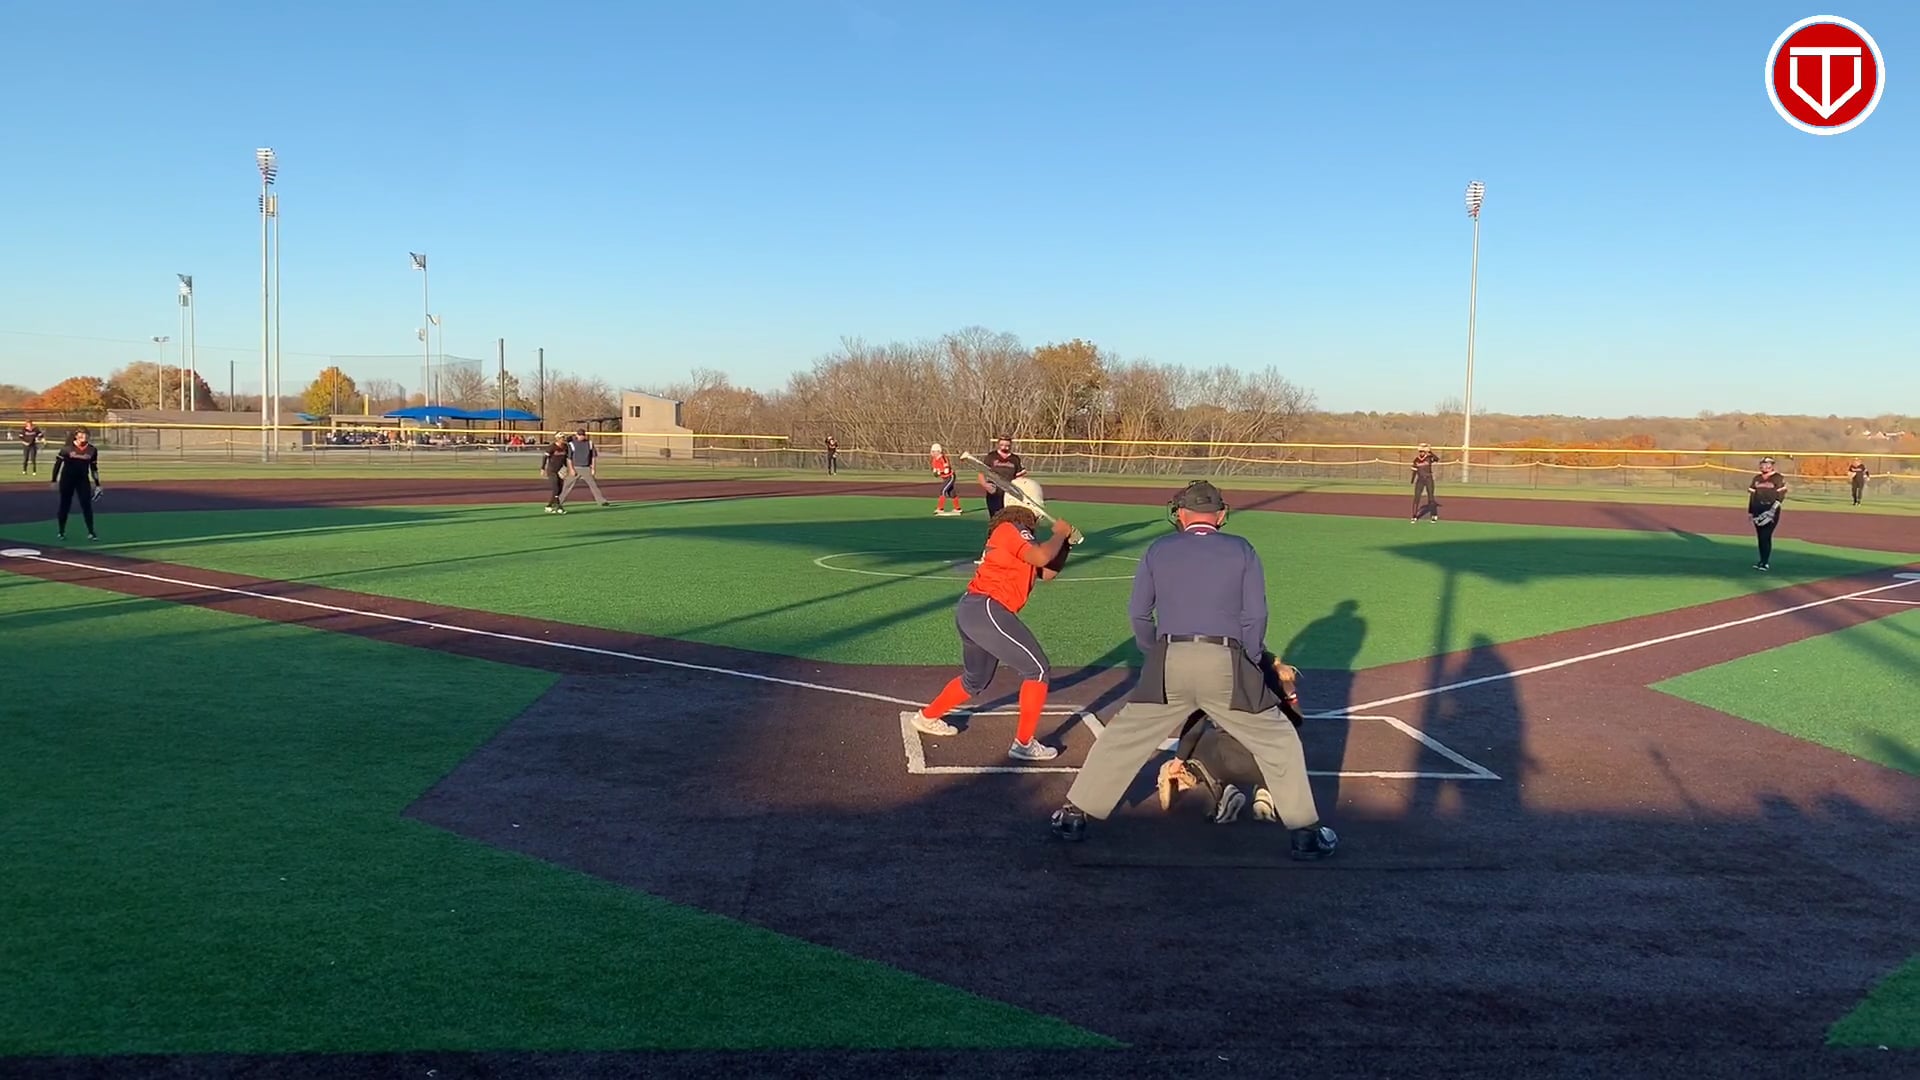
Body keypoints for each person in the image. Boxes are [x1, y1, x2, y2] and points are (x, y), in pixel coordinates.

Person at [1048, 481, 1336, 859]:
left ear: (1180, 514)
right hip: (1226, 660)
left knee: (1123, 736)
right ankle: (1305, 835)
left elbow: (1138, 613)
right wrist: (1249, 659)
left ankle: (1074, 815)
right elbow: (1256, 615)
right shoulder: (1242, 549)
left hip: (1170, 657)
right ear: (1221, 514)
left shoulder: (1158, 549)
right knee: (1278, 739)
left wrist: (1155, 654)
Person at [901, 503, 1076, 762]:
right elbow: (1042, 557)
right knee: (1038, 670)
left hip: (976, 611)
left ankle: (927, 717)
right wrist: (1059, 533)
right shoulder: (1010, 528)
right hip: (987, 608)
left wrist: (1066, 544)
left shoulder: (1018, 538)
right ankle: (1024, 744)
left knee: (975, 680)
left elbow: (1047, 572)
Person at [1157, 657, 1306, 823]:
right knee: (1283, 739)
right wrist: (1290, 697)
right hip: (1274, 763)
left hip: (1234, 761)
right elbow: (1296, 721)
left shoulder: (1215, 676)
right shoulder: (1274, 674)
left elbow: (1194, 728)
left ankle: (1223, 795)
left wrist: (1177, 763)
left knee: (1198, 742)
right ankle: (1266, 789)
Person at [50, 427, 101, 541]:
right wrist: (53, 480)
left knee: (86, 505)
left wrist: (98, 484)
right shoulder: (67, 448)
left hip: (82, 480)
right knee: (65, 505)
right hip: (67, 479)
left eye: (86, 434)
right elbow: (57, 464)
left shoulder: (92, 450)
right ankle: (61, 531)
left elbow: (94, 468)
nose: (84, 436)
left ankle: (91, 532)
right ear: (76, 435)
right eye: (81, 434)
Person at [1748, 456, 1788, 571]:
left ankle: (1765, 562)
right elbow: (1752, 496)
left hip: (1771, 509)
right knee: (1760, 537)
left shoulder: (1778, 478)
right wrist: (1751, 511)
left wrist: (1773, 509)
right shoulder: (1757, 478)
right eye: (1762, 464)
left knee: (1766, 535)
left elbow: (1781, 495)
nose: (1764, 466)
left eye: (1767, 464)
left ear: (1772, 466)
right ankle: (1761, 561)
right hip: (1758, 509)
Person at [976, 434, 1027, 519]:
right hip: (995, 492)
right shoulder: (991, 456)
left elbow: (1020, 475)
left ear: (1010, 445)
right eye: (1002, 445)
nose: (1004, 447)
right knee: (995, 518)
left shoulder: (1015, 459)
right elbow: (981, 472)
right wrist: (985, 485)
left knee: (1009, 517)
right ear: (998, 444)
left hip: (1010, 493)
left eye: (1007, 445)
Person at [560, 428, 612, 506]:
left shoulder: (589, 443)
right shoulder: (572, 444)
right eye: (580, 435)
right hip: (575, 467)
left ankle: (601, 501)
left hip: (586, 468)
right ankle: (559, 502)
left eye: (583, 435)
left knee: (593, 485)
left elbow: (593, 457)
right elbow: (569, 458)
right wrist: (571, 469)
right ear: (577, 435)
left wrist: (593, 468)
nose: (581, 436)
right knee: (567, 486)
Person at [539, 434, 572, 514]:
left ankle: (549, 506)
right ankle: (559, 507)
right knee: (556, 488)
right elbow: (545, 457)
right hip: (552, 470)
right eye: (561, 438)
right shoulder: (552, 447)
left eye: (563, 437)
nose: (563, 439)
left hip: (560, 470)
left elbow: (565, 459)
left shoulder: (565, 447)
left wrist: (567, 468)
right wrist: (543, 468)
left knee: (559, 490)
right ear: (557, 439)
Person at [1410, 442, 1440, 522]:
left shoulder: (1429, 458)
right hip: (1420, 480)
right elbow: (1414, 471)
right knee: (1417, 497)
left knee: (1430, 497)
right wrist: (1412, 480)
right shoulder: (1416, 460)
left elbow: (1437, 459)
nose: (1422, 453)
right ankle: (1414, 515)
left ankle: (1433, 515)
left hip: (1428, 479)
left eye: (1423, 451)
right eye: (1420, 451)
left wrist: (1430, 452)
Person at [930, 442, 961, 516]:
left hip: (950, 476)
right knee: (951, 492)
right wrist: (936, 473)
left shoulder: (943, 458)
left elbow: (946, 470)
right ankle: (958, 508)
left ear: (938, 451)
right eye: (932, 451)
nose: (932, 453)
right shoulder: (934, 460)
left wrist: (939, 472)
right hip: (945, 477)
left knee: (943, 491)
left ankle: (940, 508)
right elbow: (935, 471)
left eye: (934, 451)